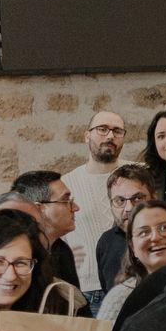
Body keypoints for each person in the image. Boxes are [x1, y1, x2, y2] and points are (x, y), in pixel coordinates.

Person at [61, 110, 126, 305]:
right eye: (102, 129)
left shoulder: (138, 174)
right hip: (90, 289)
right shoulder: (67, 184)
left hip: (134, 281)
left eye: (117, 131)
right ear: (87, 136)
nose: (110, 136)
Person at [96, 199, 166, 323]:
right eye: (144, 232)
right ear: (132, 247)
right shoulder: (120, 298)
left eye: (165, 227)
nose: (155, 237)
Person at [7, 170, 82, 290]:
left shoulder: (61, 249)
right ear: (37, 209)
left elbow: (73, 299)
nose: (76, 208)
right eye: (65, 201)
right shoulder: (19, 256)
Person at [94, 163, 158, 297]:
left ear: (154, 198)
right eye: (120, 200)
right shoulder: (106, 242)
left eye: (138, 198)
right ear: (111, 204)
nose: (129, 208)